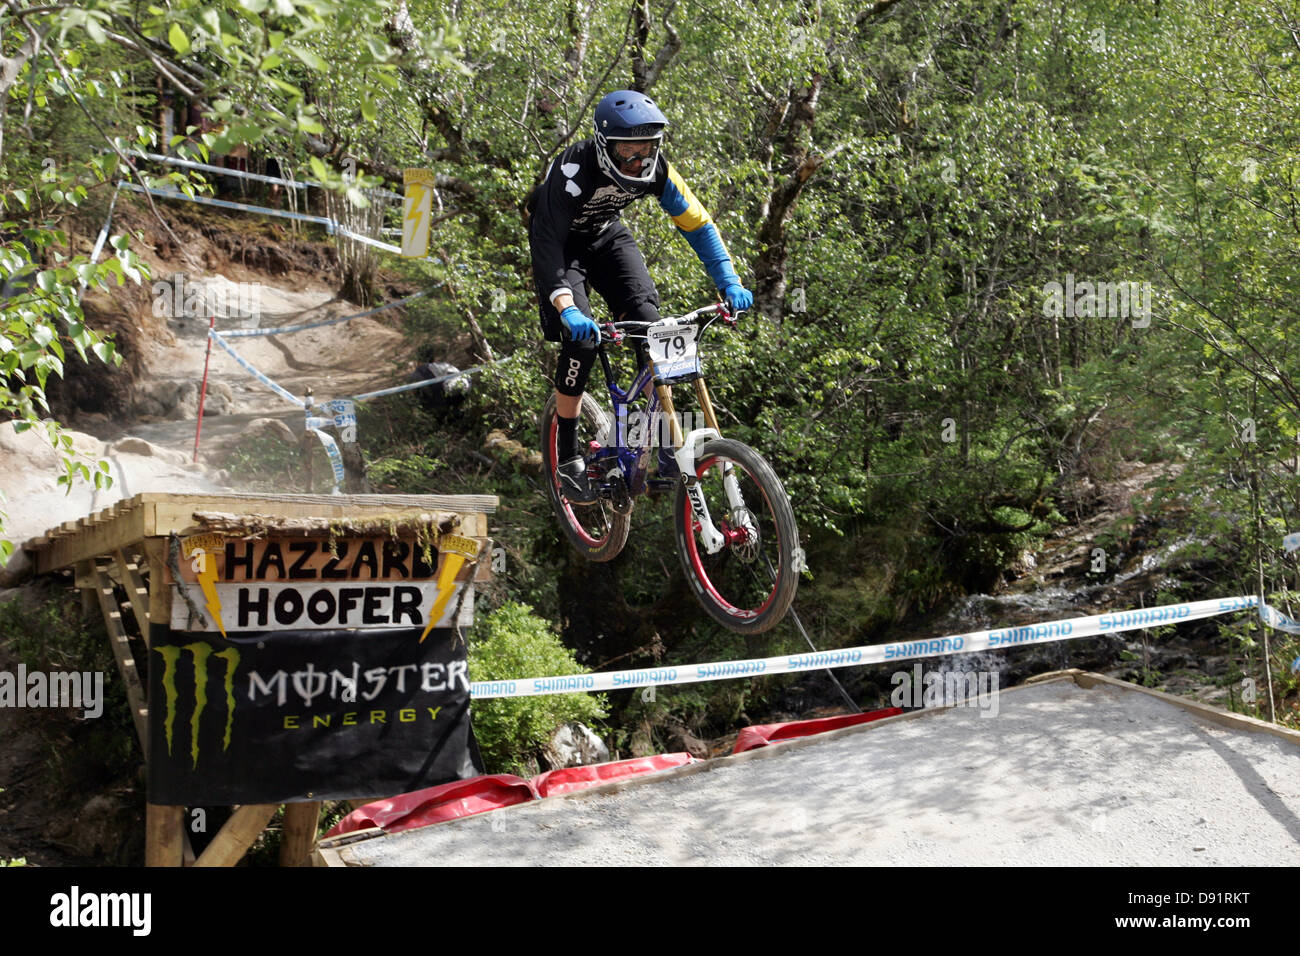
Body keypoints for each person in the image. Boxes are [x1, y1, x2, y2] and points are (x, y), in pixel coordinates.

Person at [527, 90, 753, 504]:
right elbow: (545, 244)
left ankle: (664, 438)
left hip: (606, 236)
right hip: (559, 246)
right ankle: (566, 455)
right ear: (604, 144)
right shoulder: (573, 172)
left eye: (647, 149)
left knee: (653, 327)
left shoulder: (657, 171)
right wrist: (568, 308)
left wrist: (729, 281)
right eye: (628, 151)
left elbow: (699, 225)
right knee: (581, 342)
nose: (638, 160)